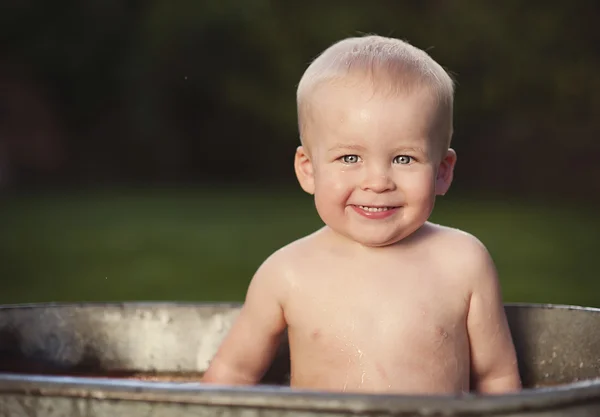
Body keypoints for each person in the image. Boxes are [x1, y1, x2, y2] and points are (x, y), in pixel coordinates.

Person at [202, 35, 522, 395]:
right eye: (350, 158)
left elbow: (497, 379)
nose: (378, 181)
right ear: (308, 170)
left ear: (443, 171)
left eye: (404, 158)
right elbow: (232, 375)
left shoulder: (463, 263)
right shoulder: (287, 273)